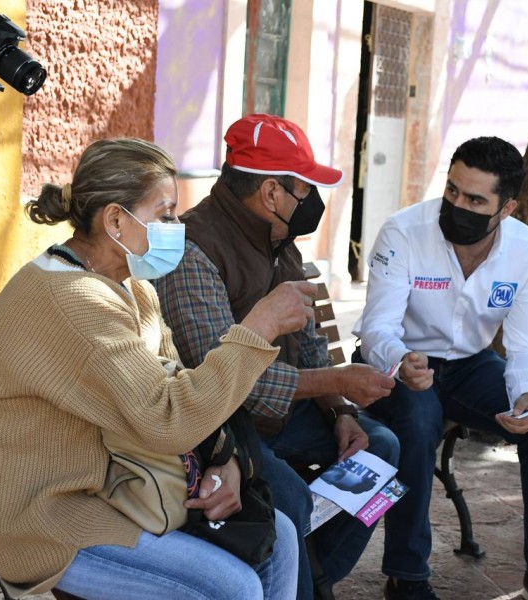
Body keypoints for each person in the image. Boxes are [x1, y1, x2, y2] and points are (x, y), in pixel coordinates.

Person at [0, 138, 315, 599]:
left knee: (280, 538)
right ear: (115, 220)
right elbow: (168, 421)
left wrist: (224, 463)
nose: (178, 227)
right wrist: (258, 329)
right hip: (47, 521)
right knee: (233, 587)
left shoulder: (131, 285)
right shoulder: (73, 300)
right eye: (166, 215)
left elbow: (178, 386)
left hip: (122, 488)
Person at [154, 114, 399, 600]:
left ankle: (315, 575)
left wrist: (342, 412)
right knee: (287, 497)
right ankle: (303, 579)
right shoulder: (193, 250)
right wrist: (340, 379)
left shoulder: (280, 241)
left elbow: (308, 345)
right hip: (221, 429)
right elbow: (220, 376)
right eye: (305, 189)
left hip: (284, 417)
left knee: (382, 451)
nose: (313, 202)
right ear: (271, 193)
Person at [354, 136, 528, 600]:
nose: (457, 205)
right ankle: (407, 575)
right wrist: (400, 361)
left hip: (471, 365)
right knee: (418, 420)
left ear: (507, 207)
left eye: (476, 199)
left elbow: (524, 347)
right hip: (402, 361)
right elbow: (376, 328)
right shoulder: (404, 231)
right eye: (453, 190)